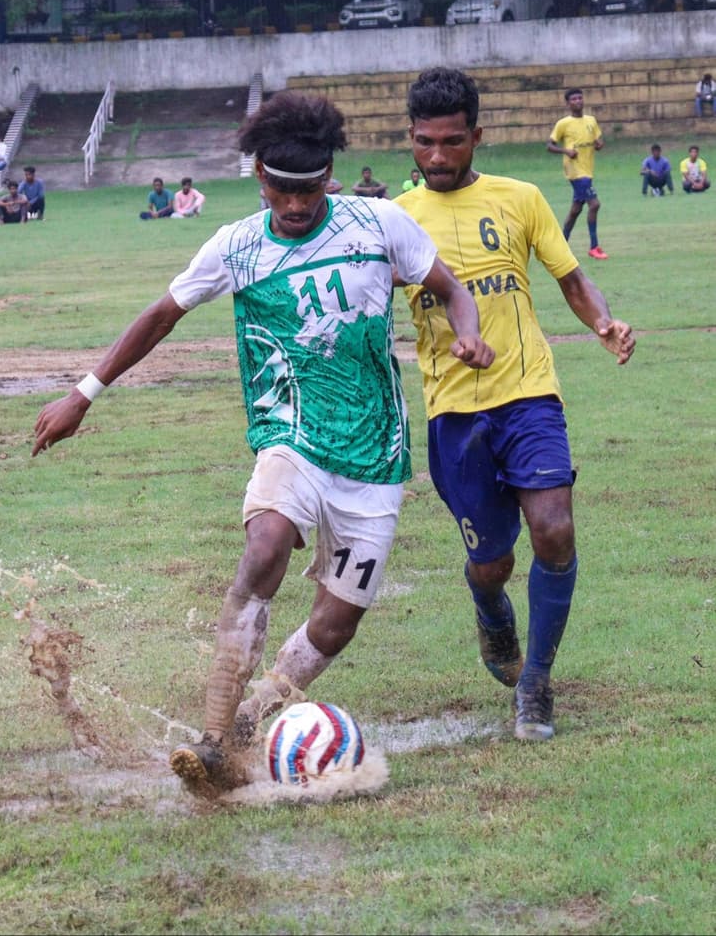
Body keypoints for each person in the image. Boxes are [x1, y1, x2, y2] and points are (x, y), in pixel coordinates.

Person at [32, 90, 494, 791]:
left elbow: (449, 287)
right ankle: (214, 736)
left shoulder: (379, 224)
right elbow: (162, 313)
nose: (298, 204)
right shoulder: (238, 245)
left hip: (375, 456)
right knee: (266, 542)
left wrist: (467, 330)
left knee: (335, 626)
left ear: (330, 175)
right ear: (259, 178)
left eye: (310, 189)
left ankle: (255, 712)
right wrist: (83, 393)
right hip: (291, 435)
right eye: (282, 188)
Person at [395, 67, 635, 742]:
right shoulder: (396, 221)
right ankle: (489, 604)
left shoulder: (522, 197)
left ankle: (535, 684)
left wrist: (604, 324)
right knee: (492, 560)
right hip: (454, 413)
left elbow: (573, 278)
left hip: (529, 394)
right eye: (424, 143)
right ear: (409, 141)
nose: (437, 157)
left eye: (451, 142)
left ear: (477, 134)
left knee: (554, 528)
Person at [547, 87, 607, 260]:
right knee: (594, 204)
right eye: (573, 99)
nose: (578, 101)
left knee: (576, 210)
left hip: (587, 169)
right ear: (567, 103)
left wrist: (599, 145)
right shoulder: (563, 123)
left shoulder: (591, 121)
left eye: (580, 98)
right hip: (575, 171)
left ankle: (560, 245)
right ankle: (594, 247)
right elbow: (549, 146)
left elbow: (597, 140)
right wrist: (566, 151)